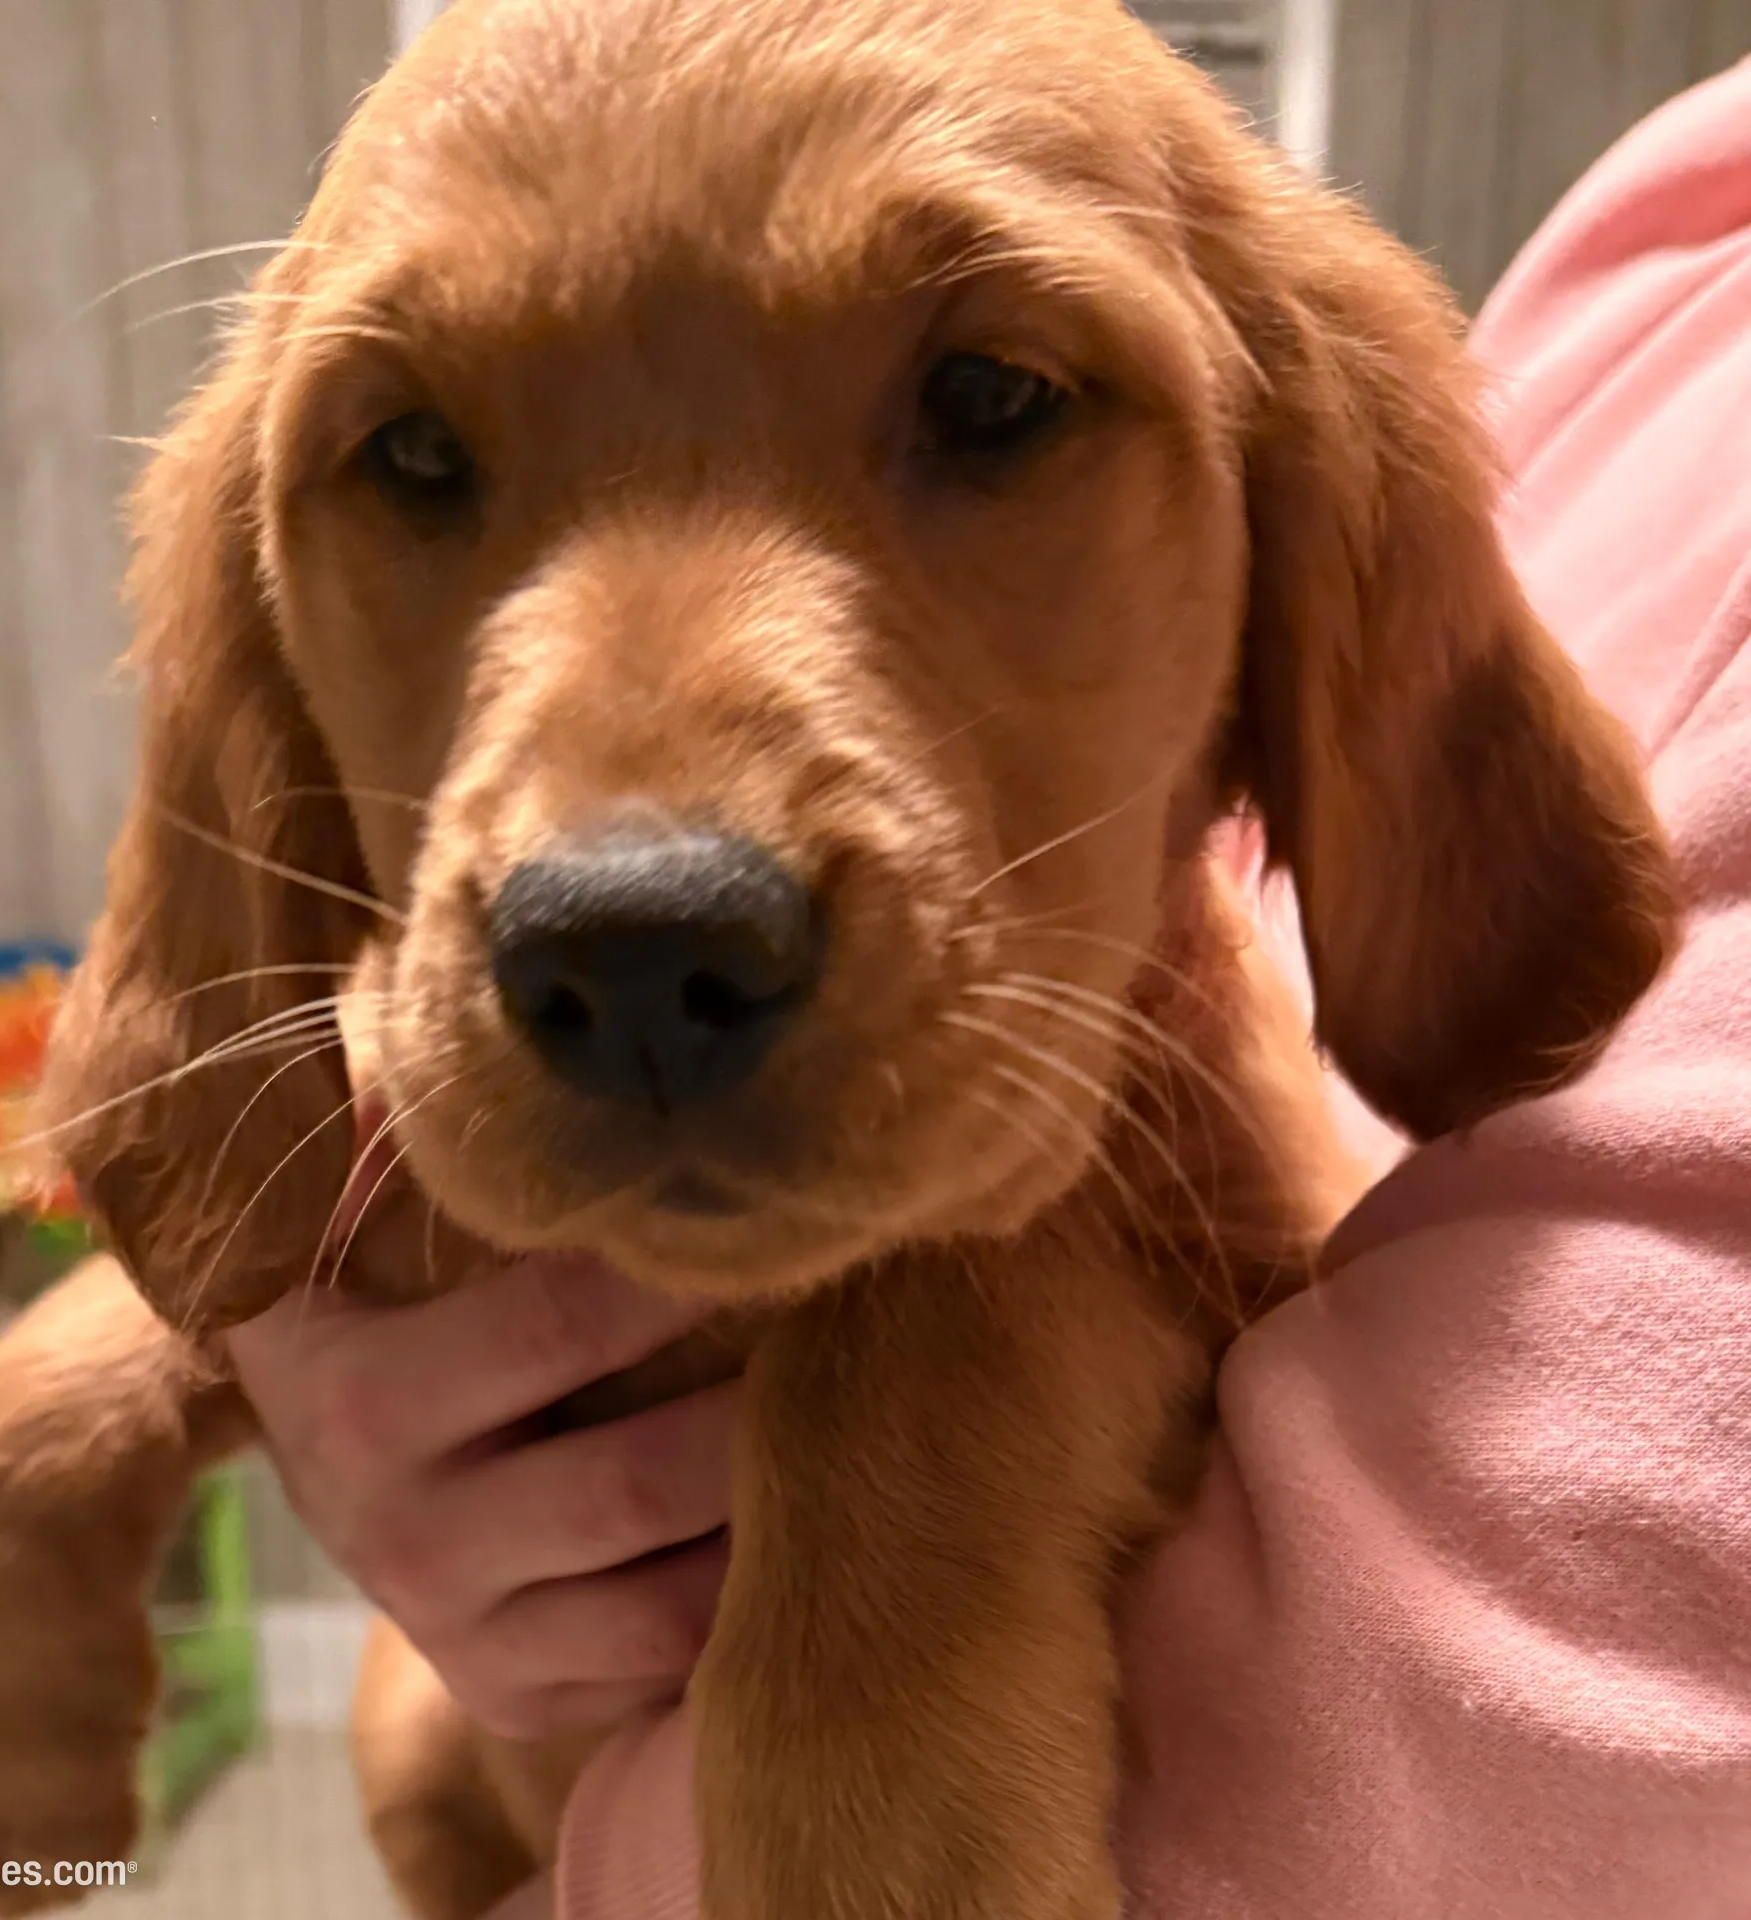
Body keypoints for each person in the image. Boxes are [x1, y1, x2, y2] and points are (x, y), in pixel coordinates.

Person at [226, 55, 1751, 1920]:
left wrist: (932, 1432)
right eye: (417, 458)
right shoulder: (1654, 249)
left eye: (987, 400)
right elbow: (228, 1190)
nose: (639, 847)